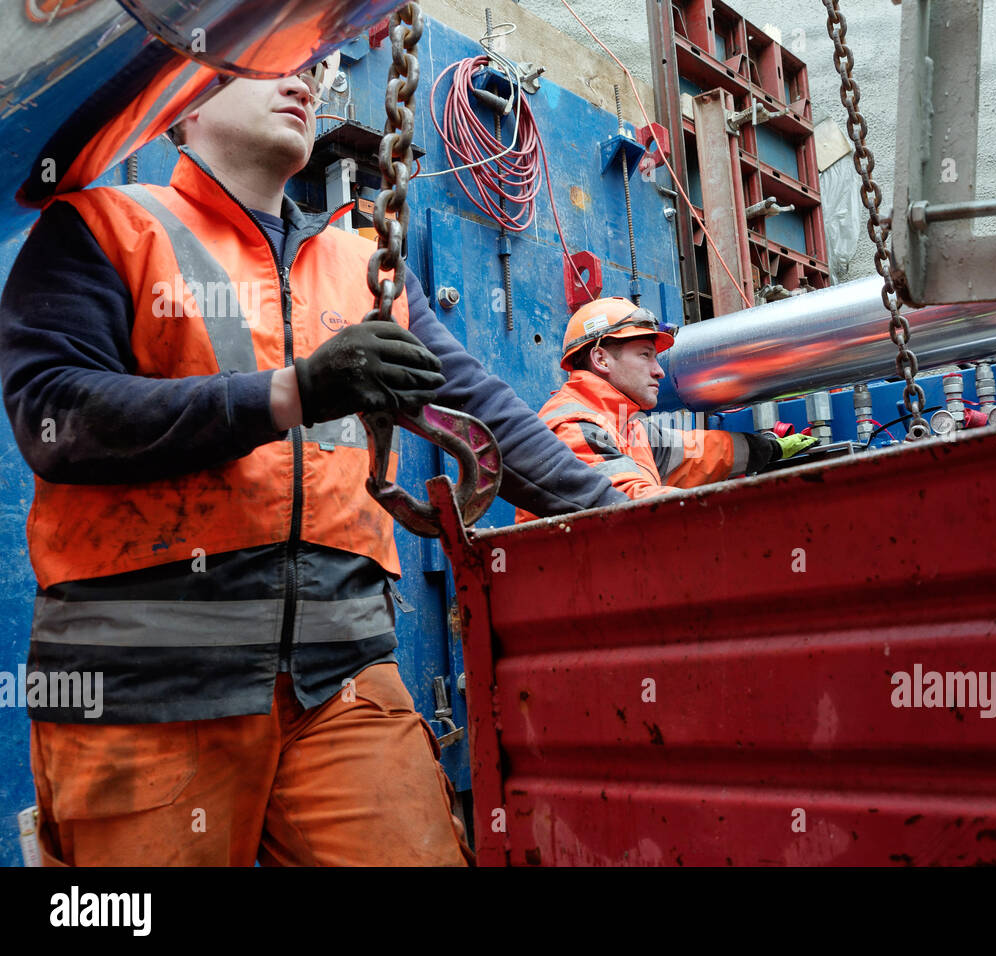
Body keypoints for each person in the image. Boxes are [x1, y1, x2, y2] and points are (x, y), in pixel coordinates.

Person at [0, 66, 628, 866]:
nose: (298, 81)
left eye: (306, 68)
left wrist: (621, 514)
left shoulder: (364, 269)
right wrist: (291, 393)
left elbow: (487, 416)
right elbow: (55, 416)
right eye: (261, 67)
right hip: (147, 693)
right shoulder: (104, 227)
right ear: (179, 110)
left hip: (342, 683)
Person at [516, 297, 816, 522]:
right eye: (646, 355)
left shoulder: (625, 425)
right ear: (601, 359)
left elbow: (697, 454)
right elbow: (626, 500)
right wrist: (736, 515)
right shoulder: (574, 426)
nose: (659, 371)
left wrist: (768, 448)